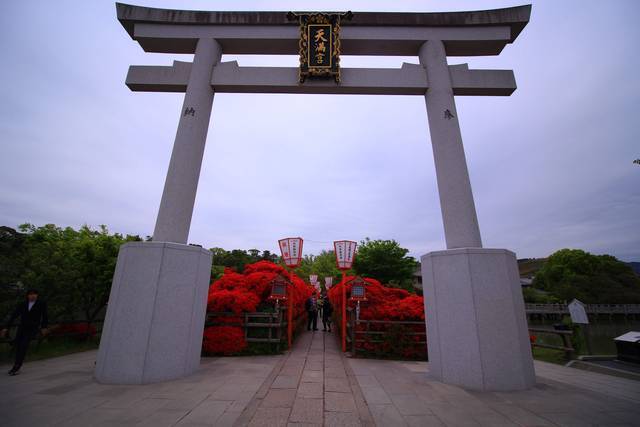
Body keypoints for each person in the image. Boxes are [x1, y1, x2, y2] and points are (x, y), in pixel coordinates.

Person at [1, 289, 49, 376]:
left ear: (37, 295)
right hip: (22, 328)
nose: (33, 296)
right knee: (18, 345)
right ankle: (16, 364)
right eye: (30, 294)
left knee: (23, 345)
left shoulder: (41, 303)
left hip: (32, 328)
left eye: (34, 294)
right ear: (27, 295)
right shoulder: (22, 304)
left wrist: (44, 327)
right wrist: (6, 327)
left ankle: (16, 367)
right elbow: (14, 315)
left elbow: (45, 316)